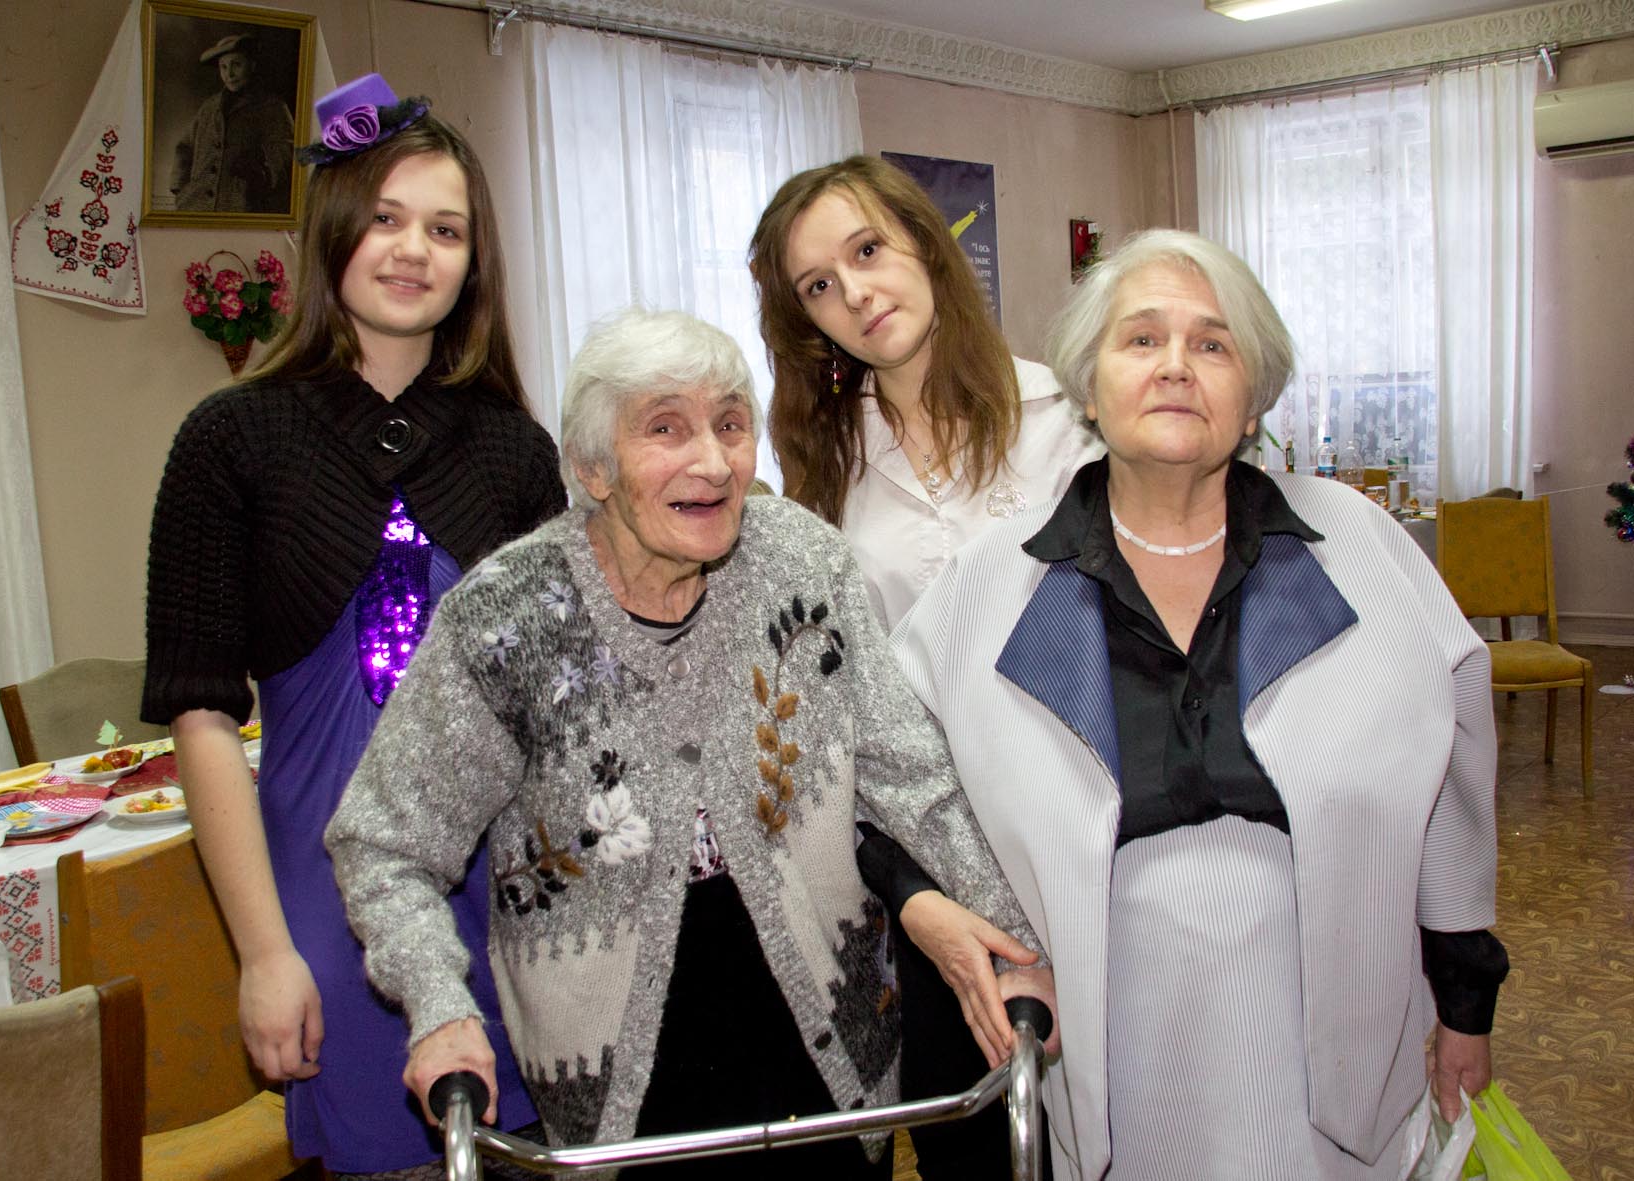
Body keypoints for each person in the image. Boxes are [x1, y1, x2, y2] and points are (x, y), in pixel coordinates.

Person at [325, 308, 1057, 1181]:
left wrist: (1018, 945)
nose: (712, 461)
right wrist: (439, 1005)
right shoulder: (504, 620)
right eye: (665, 429)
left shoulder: (803, 562)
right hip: (617, 1081)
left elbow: (911, 778)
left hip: (826, 1038)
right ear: (593, 467)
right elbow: (384, 845)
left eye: (731, 424)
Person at [888, 228, 1509, 1179]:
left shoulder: (1360, 547)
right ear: (1088, 387)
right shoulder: (990, 585)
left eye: (1213, 344)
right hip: (1112, 1058)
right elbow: (889, 776)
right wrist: (931, 908)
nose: (1176, 364)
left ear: (1253, 397)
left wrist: (1466, 1004)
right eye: (1142, 339)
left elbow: (1454, 791)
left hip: (1343, 1062)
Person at [142, 74, 564, 1179]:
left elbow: (564, 706)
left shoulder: (515, 450)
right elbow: (200, 715)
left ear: (474, 261)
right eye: (384, 218)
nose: (413, 249)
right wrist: (263, 951)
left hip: (514, 893)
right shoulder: (229, 439)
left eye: (445, 229)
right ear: (333, 229)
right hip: (324, 898)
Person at [748, 153, 1102, 1177]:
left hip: (1089, 839)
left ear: (926, 243)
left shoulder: (1066, 419)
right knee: (980, 1148)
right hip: (930, 869)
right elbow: (837, 719)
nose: (855, 294)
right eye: (819, 284)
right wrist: (914, 892)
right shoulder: (823, 467)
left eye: (867, 251)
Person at [170, 32, 296, 214]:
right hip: (195, 207)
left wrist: (262, 173)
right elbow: (184, 147)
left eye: (236, 64)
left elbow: (285, 154)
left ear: (252, 65)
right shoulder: (209, 107)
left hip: (242, 207)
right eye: (223, 67)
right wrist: (181, 190)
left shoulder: (272, 107)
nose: (229, 74)